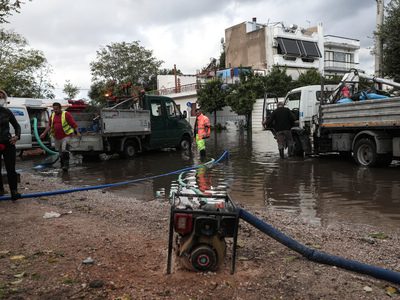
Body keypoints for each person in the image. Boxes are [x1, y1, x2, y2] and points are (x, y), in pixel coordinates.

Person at [40, 102, 81, 171]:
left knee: (65, 150)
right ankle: (62, 165)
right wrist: (44, 133)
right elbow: (49, 126)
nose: (55, 110)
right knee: (61, 152)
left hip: (66, 135)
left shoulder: (66, 114)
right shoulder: (52, 116)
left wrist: (78, 133)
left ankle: (66, 166)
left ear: (60, 108)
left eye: (57, 109)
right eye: (54, 109)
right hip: (57, 137)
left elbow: (73, 124)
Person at [0, 90, 22, 200]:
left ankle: (14, 191)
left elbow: (17, 126)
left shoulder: (7, 112)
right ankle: (0, 190)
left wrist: (17, 136)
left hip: (7, 142)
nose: (0, 100)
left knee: (10, 168)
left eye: (1, 98)